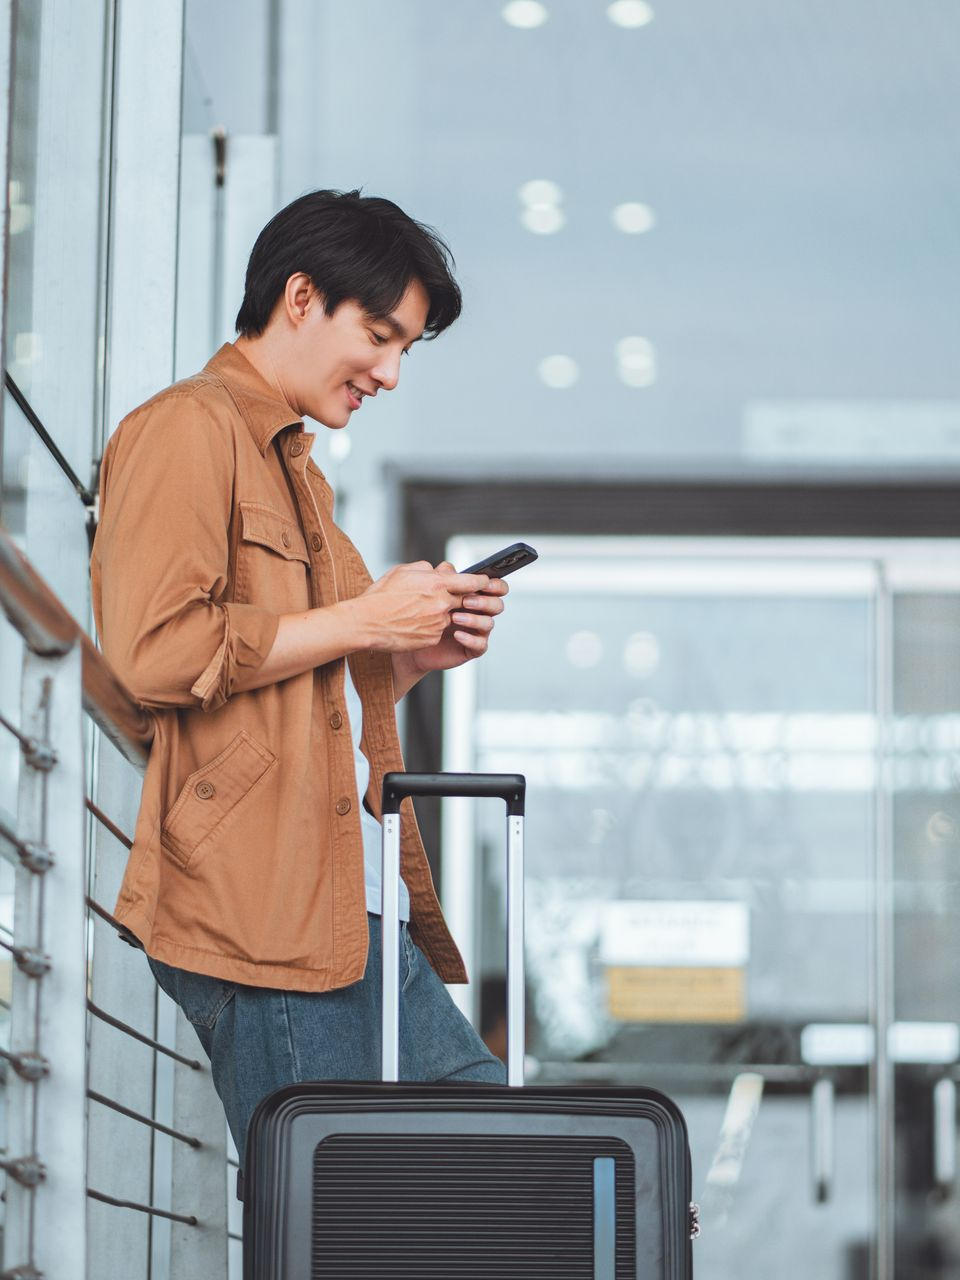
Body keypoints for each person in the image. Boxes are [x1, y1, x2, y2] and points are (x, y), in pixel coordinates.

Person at [91, 189, 509, 1161]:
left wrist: (405, 658)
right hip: (265, 914)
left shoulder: (300, 472)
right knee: (334, 1219)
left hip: (353, 906)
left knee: (499, 1150)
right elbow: (153, 652)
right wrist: (368, 616)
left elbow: (301, 680)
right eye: (380, 334)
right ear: (301, 295)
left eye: (407, 347)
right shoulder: (185, 429)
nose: (393, 372)